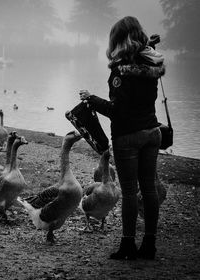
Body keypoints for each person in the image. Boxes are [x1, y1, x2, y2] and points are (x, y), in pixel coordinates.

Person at [79, 16, 165, 260]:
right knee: (149, 189)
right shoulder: (151, 64)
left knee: (129, 192)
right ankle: (149, 245)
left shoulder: (121, 70)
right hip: (152, 132)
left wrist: (91, 99)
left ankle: (127, 245)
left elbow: (119, 110)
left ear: (118, 40)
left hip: (128, 137)